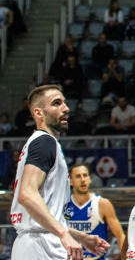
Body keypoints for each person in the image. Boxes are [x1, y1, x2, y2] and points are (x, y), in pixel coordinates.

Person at [11, 85, 110, 260]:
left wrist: (81, 237)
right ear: (39, 113)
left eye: (64, 102)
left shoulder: (42, 143)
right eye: (56, 103)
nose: (66, 108)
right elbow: (26, 194)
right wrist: (64, 235)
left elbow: (45, 217)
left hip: (37, 242)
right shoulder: (44, 142)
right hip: (42, 246)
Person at [66, 163, 125, 259]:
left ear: (90, 179)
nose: (83, 180)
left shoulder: (102, 204)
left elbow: (120, 235)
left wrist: (125, 258)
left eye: (85, 175)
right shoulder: (64, 204)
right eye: (78, 176)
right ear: (70, 182)